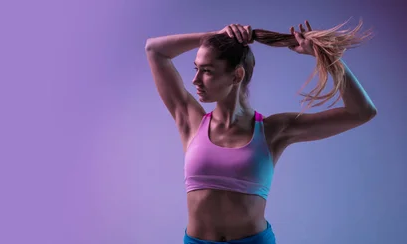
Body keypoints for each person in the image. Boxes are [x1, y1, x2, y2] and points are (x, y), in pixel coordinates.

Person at [144, 20, 377, 244]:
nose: (195, 80)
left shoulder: (274, 130)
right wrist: (213, 36)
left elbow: (361, 112)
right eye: (196, 69)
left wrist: (325, 57)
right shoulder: (190, 120)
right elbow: (154, 49)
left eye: (207, 71)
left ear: (236, 75)